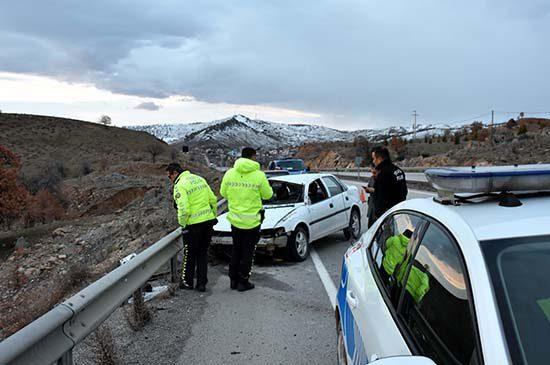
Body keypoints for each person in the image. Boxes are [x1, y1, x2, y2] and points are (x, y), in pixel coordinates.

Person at [220, 147, 273, 291]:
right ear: (253, 157)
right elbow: (268, 195)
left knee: (236, 249)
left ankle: (233, 280)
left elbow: (222, 192)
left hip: (235, 220)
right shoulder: (259, 175)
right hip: (252, 221)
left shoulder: (230, 173)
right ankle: (243, 282)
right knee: (248, 252)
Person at [166, 163, 218, 292]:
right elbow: (213, 200)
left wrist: (183, 224)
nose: (170, 179)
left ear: (174, 173)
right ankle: (202, 284)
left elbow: (183, 209)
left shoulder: (180, 185)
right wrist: (213, 216)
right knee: (202, 253)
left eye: (169, 176)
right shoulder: (199, 179)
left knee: (190, 254)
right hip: (208, 222)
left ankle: (188, 283)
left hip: (193, 225)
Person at [371, 146, 407, 222]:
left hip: (388, 215)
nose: (373, 161)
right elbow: (404, 192)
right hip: (400, 211)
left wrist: (378, 214)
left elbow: (381, 197)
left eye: (374, 158)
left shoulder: (383, 174)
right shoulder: (398, 171)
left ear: (380, 158)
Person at [363, 163, 379, 228]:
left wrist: (374, 190)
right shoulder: (372, 178)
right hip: (372, 205)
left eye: (372, 169)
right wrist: (367, 189)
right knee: (370, 226)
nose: (371, 170)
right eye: (371, 169)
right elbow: (369, 186)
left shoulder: (382, 178)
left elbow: (385, 191)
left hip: (379, 206)